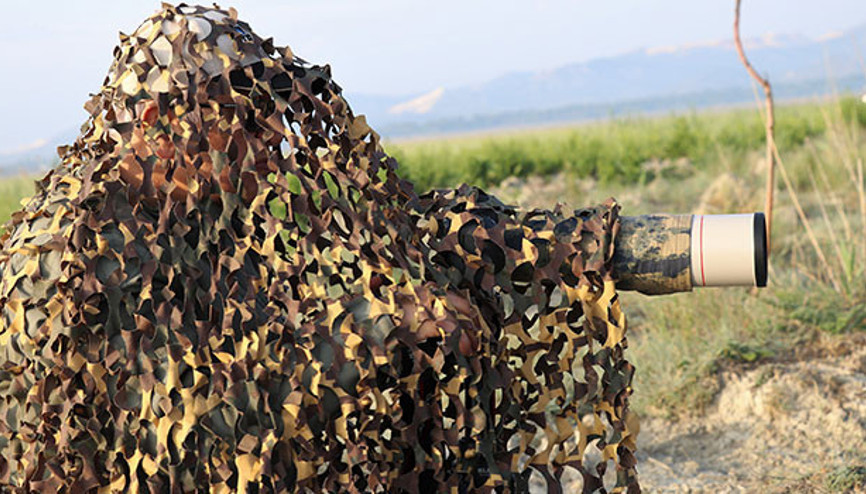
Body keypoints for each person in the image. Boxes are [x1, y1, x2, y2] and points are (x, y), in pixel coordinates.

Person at [0, 4, 638, 493]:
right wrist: (381, 328)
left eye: (266, 117)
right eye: (244, 119)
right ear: (156, 125)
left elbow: (283, 309)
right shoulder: (65, 256)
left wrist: (483, 250)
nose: (268, 143)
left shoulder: (187, 220)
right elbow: (187, 416)